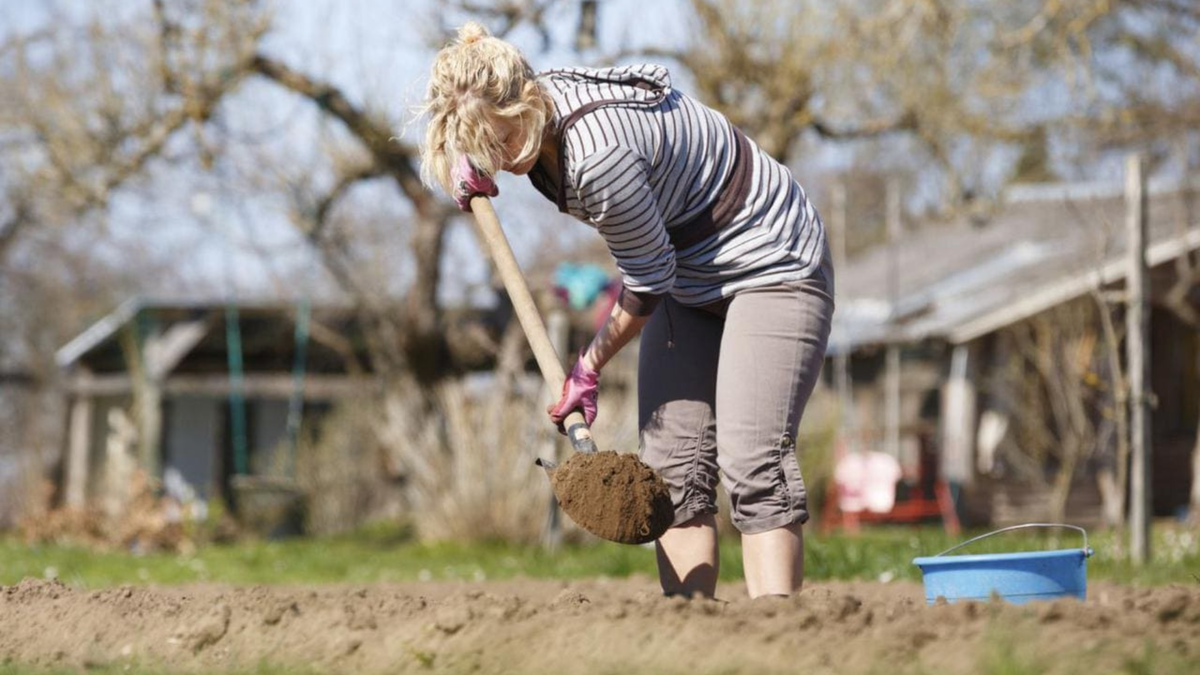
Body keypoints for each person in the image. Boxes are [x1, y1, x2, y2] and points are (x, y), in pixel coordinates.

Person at [420, 23, 833, 599]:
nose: (499, 157)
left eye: (503, 139)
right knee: (674, 472)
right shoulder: (526, 110)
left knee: (753, 461)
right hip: (687, 274)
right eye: (482, 145)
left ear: (528, 98)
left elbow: (646, 282)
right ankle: (691, 638)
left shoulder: (598, 155)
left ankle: (782, 636)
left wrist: (587, 368)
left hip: (770, 264)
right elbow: (479, 130)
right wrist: (470, 162)